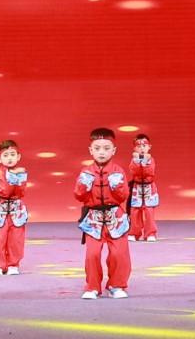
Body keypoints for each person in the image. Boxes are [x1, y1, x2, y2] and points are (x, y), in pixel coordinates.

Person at [74, 127, 132, 299]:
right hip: (94, 219)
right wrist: (83, 185)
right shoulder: (86, 172)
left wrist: (117, 186)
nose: (101, 152)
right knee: (92, 254)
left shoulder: (118, 171)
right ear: (90, 150)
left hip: (115, 218)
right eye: (97, 148)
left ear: (113, 150)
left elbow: (123, 196)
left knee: (119, 254)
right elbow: (79, 196)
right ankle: (92, 287)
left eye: (106, 148)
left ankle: (117, 285)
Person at [0, 139, 30, 275]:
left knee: (16, 238)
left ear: (18, 157)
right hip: (2, 208)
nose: (9, 158)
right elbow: (5, 191)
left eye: (12, 155)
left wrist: (18, 177)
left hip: (17, 208)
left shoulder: (22, 171)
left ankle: (13, 264)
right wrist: (14, 177)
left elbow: (21, 191)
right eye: (5, 155)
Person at [128, 133, 160, 241]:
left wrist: (145, 162)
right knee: (135, 211)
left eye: (144, 146)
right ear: (135, 148)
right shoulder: (133, 160)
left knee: (149, 211)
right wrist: (138, 161)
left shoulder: (151, 160)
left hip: (149, 187)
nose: (142, 148)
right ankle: (134, 233)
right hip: (137, 187)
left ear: (149, 147)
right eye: (139, 146)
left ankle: (150, 233)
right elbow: (134, 172)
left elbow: (149, 172)